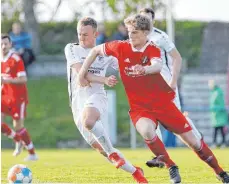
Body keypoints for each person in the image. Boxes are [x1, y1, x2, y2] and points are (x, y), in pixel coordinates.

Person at [78, 14, 229, 183]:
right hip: (140, 108)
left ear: (145, 33)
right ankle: (171, 166)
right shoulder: (121, 47)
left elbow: (156, 65)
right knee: (147, 131)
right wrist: (82, 73)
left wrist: (144, 69)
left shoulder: (153, 48)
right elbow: (96, 50)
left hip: (163, 104)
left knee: (194, 142)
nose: (130, 36)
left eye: (134, 32)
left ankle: (220, 171)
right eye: (129, 31)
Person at [64, 17, 147, 183]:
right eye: (79, 34)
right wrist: (104, 79)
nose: (81, 37)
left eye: (85, 34)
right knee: (103, 151)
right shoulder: (72, 49)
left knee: (89, 121)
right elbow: (82, 74)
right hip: (77, 104)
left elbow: (125, 68)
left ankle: (113, 153)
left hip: (97, 97)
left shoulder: (105, 53)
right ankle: (136, 172)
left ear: (95, 34)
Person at [139, 7, 203, 168]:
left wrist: (173, 81)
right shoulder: (137, 37)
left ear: (152, 19)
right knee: (151, 119)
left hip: (166, 84)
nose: (144, 21)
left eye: (147, 18)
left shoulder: (160, 37)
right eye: (142, 18)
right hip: (149, 88)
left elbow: (177, 58)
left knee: (177, 118)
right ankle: (159, 156)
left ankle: (198, 140)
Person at [1, 34, 38, 161]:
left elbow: (23, 79)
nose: (3, 46)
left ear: (11, 44)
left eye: (6, 43)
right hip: (4, 96)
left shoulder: (16, 59)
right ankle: (18, 139)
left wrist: (6, 80)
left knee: (18, 126)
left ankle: (32, 154)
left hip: (18, 97)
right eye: (1, 44)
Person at [208, 79, 228, 148]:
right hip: (215, 115)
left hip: (219, 114)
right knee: (216, 130)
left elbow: (220, 104)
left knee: (221, 129)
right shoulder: (213, 92)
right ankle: (215, 143)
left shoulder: (218, 92)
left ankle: (223, 143)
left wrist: (217, 109)